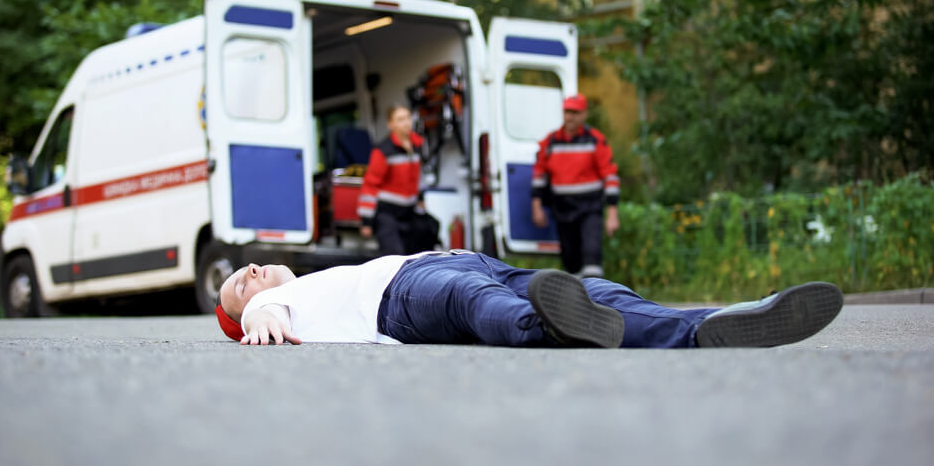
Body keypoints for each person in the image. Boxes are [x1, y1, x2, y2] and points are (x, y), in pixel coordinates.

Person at [214, 250, 844, 349]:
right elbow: (269, 316)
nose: (248, 271)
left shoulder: (309, 277)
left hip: (465, 260)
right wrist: (261, 318)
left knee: (595, 289)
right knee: (475, 302)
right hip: (406, 294)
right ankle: (551, 325)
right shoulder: (285, 304)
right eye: (240, 285)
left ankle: (707, 327)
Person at [531, 94, 620, 278]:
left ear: (584, 115)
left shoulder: (595, 140)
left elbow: (610, 176)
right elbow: (539, 176)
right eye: (566, 112)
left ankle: (596, 298)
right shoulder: (550, 142)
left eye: (574, 112)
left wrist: (612, 214)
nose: (569, 117)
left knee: (591, 254)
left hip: (590, 207)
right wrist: (537, 207)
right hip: (563, 209)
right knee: (570, 261)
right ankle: (577, 301)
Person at [357, 104, 426, 255]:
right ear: (391, 124)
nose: (406, 122)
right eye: (400, 119)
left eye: (408, 117)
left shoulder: (417, 145)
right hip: (387, 213)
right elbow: (370, 186)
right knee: (394, 257)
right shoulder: (383, 150)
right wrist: (366, 222)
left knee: (418, 253)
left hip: (409, 212)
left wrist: (420, 199)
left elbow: (417, 178)